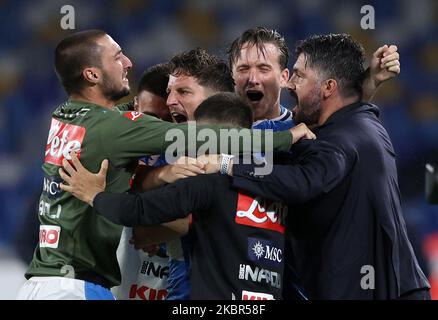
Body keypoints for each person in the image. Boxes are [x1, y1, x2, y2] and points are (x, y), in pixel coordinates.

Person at [16, 30, 309, 300]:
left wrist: (159, 176)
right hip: (77, 287)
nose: (128, 62)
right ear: (92, 74)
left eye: (183, 92)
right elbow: (196, 139)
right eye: (117, 57)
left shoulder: (65, 116)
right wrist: (284, 139)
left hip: (47, 281)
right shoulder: (118, 128)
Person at [202, 33, 430, 299]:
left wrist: (226, 164)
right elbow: (342, 113)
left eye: (298, 76)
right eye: (243, 69)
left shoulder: (327, 139)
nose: (291, 86)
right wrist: (367, 81)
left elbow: (304, 181)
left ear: (282, 75)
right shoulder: (359, 124)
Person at [60, 92, 291, 300]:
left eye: (199, 137)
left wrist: (93, 195)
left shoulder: (206, 184)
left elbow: (136, 211)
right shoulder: (277, 186)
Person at [228, 27, 400, 130]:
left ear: (284, 78)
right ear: (230, 77)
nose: (252, 78)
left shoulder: (305, 126)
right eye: (243, 69)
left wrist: (371, 82)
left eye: (263, 69)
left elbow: (343, 116)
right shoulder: (210, 130)